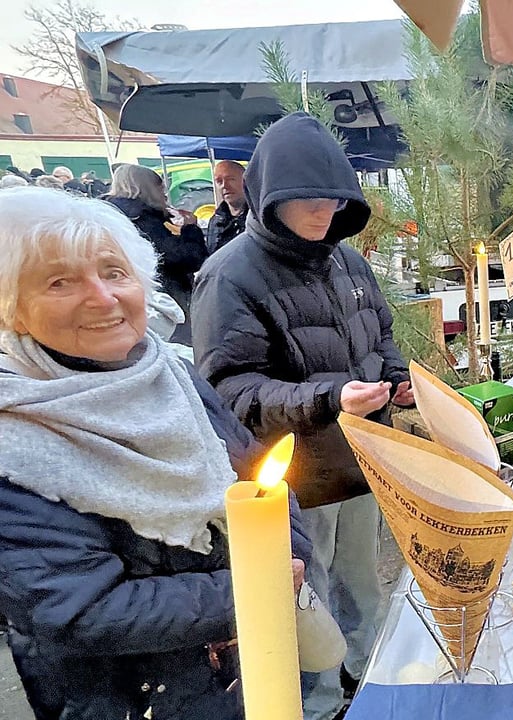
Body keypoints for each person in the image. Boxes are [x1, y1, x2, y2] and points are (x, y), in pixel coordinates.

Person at [0, 186, 313, 720]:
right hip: (133, 699)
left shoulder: (172, 374)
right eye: (60, 281)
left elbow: (260, 480)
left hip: (245, 672)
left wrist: (293, 565)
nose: (102, 297)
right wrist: (251, 590)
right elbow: (77, 609)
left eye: (114, 272)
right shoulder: (15, 438)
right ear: (13, 311)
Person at [191, 112, 415, 720]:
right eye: (306, 201)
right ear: (269, 198)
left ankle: (374, 688)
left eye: (333, 200)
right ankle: (316, 707)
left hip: (363, 459)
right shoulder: (229, 275)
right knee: (303, 604)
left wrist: (397, 381)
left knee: (362, 586)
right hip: (289, 481)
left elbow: (381, 336)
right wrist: (327, 398)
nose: (322, 213)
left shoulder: (347, 261)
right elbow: (227, 391)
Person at [107, 163, 208, 344]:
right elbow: (187, 257)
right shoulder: (142, 219)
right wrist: (191, 228)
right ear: (149, 188)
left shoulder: (107, 216)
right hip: (164, 300)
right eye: (161, 188)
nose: (165, 194)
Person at [207, 160, 249, 253]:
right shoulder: (215, 221)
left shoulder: (259, 218)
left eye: (230, 179)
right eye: (219, 181)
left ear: (246, 181)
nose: (224, 186)